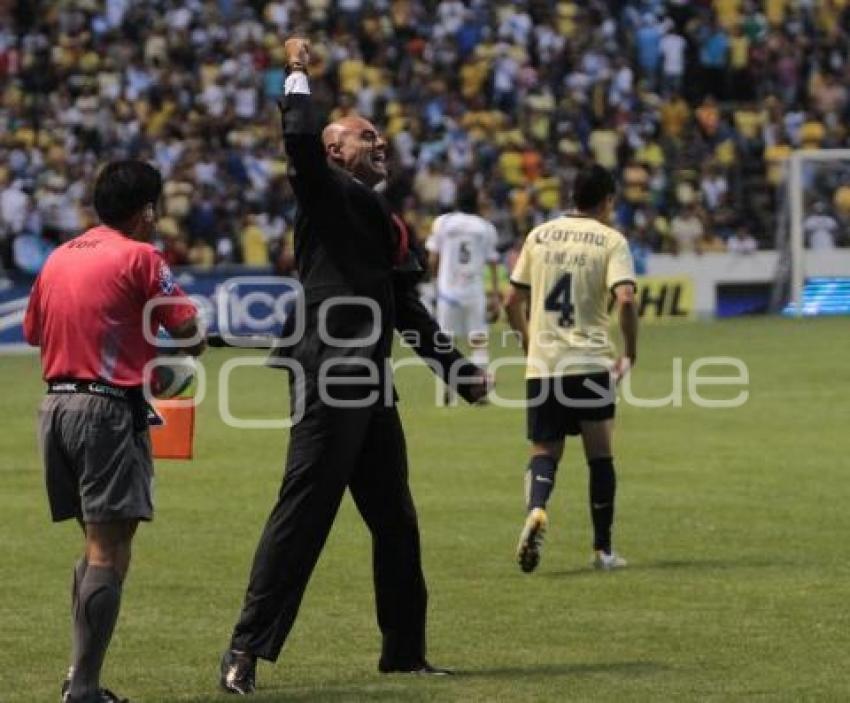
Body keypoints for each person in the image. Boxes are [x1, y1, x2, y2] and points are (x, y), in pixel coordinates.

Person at [219, 37, 489, 695]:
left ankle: (404, 651)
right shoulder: (326, 189)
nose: (380, 143)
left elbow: (407, 310)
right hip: (331, 372)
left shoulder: (382, 218)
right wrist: (297, 73)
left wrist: (458, 372)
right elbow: (300, 146)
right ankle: (244, 649)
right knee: (304, 511)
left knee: (394, 515)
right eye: (366, 135)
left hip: (368, 380)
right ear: (336, 150)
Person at [23, 160, 206, 703]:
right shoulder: (142, 256)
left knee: (95, 545)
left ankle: (78, 678)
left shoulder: (59, 256)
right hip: (105, 412)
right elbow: (188, 328)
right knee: (109, 551)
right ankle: (83, 689)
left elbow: (35, 330)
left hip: (55, 408)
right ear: (146, 210)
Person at [504, 164, 638, 574]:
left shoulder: (539, 235)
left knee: (545, 450)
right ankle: (602, 550)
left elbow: (511, 300)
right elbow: (627, 299)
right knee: (599, 456)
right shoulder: (611, 240)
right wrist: (630, 351)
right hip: (590, 361)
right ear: (608, 200)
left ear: (571, 197)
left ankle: (536, 509)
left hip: (544, 364)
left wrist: (529, 341)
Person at [426, 184, 500, 403]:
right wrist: (495, 295)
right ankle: (481, 389)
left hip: (448, 292)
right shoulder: (485, 227)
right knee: (477, 340)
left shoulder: (443, 223)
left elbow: (432, 257)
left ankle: (446, 391)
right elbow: (493, 263)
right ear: (476, 202)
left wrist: (434, 280)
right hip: (474, 292)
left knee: (446, 343)